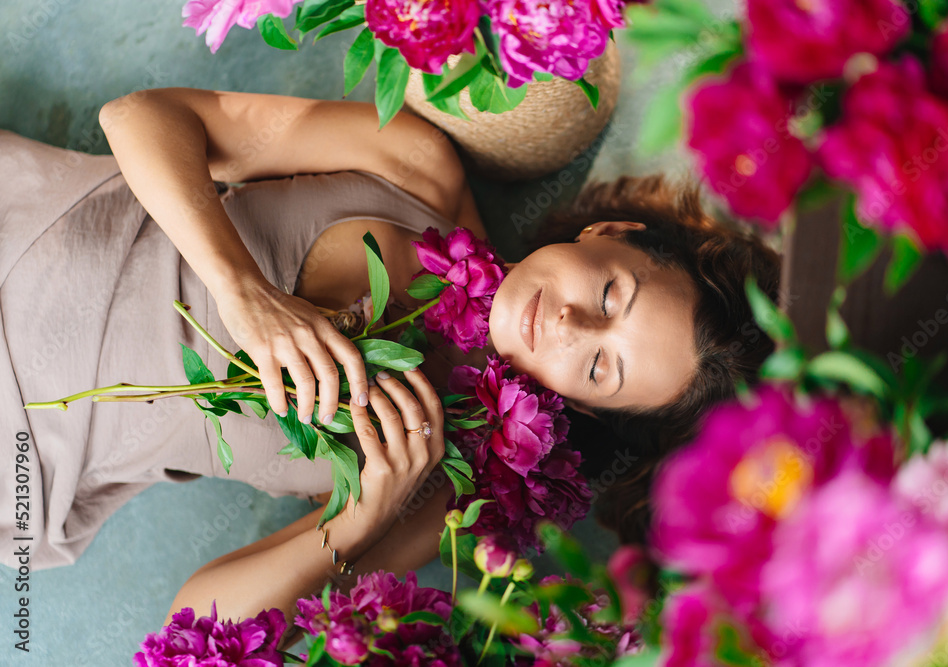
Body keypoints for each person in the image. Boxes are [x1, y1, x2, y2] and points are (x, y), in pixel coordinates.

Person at [0, 87, 779, 647]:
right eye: (610, 292)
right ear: (611, 229)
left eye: (601, 367)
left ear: (590, 407)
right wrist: (243, 291)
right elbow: (140, 118)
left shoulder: (445, 485)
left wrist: (360, 517)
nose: (570, 325)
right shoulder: (418, 169)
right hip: (25, 233)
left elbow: (191, 623)